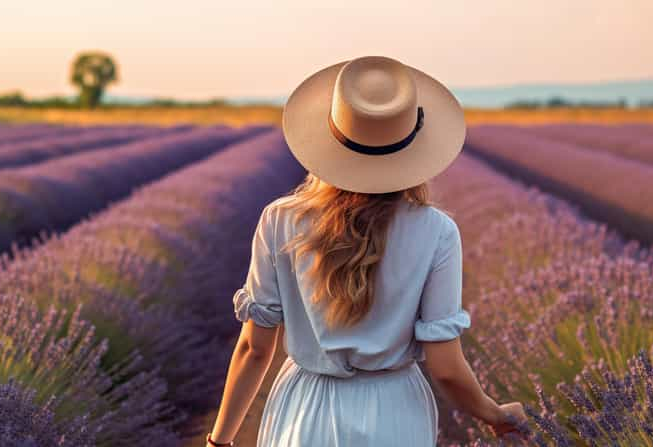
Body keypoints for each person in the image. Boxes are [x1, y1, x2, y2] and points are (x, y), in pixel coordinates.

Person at [206, 55, 527, 447]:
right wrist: (495, 414)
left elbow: (254, 350)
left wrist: (219, 441)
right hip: (394, 410)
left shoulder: (281, 220)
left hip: (305, 405)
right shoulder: (436, 232)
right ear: (415, 148)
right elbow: (445, 368)